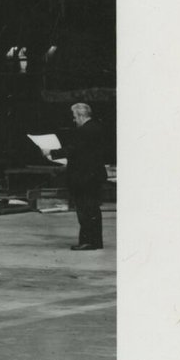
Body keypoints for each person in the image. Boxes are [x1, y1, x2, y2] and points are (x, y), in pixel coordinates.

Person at [49, 102, 108, 250]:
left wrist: (51, 152)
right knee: (92, 210)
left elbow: (73, 149)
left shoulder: (85, 131)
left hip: (85, 177)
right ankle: (95, 241)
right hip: (93, 175)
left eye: (75, 117)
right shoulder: (96, 128)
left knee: (85, 210)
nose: (74, 120)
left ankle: (88, 242)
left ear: (81, 116)